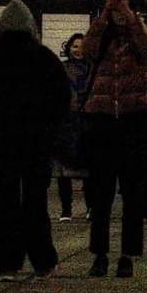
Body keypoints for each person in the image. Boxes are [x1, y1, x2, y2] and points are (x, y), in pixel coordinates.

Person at [0, 0, 70, 278]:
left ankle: (8, 260)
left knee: (3, 200)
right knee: (35, 200)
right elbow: (62, 98)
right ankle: (42, 258)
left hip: (0, 141)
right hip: (36, 140)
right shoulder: (45, 58)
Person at [81, 0, 147, 278]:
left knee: (132, 193)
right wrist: (103, 18)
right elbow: (86, 51)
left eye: (122, 10)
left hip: (132, 120)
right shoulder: (101, 38)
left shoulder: (140, 37)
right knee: (100, 194)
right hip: (102, 120)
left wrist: (131, 18)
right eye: (115, 10)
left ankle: (127, 254)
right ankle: (99, 254)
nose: (118, 15)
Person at [58, 32, 92, 221]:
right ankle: (66, 209)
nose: (78, 50)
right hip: (67, 122)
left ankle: (91, 206)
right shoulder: (62, 69)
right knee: (64, 168)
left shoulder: (92, 69)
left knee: (88, 167)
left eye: (81, 46)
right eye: (74, 46)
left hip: (86, 121)